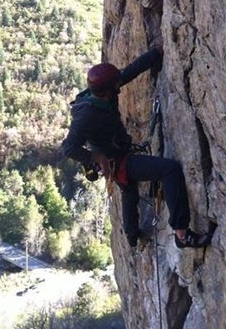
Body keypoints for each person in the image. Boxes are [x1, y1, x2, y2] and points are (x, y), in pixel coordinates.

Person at [62, 47, 212, 249]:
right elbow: (69, 147)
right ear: (108, 90)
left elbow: (129, 72)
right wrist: (96, 157)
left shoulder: (100, 92)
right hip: (117, 161)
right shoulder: (86, 115)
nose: (119, 88)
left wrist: (156, 53)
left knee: (128, 191)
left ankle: (132, 236)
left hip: (117, 156)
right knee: (170, 169)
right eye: (116, 86)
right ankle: (182, 234)